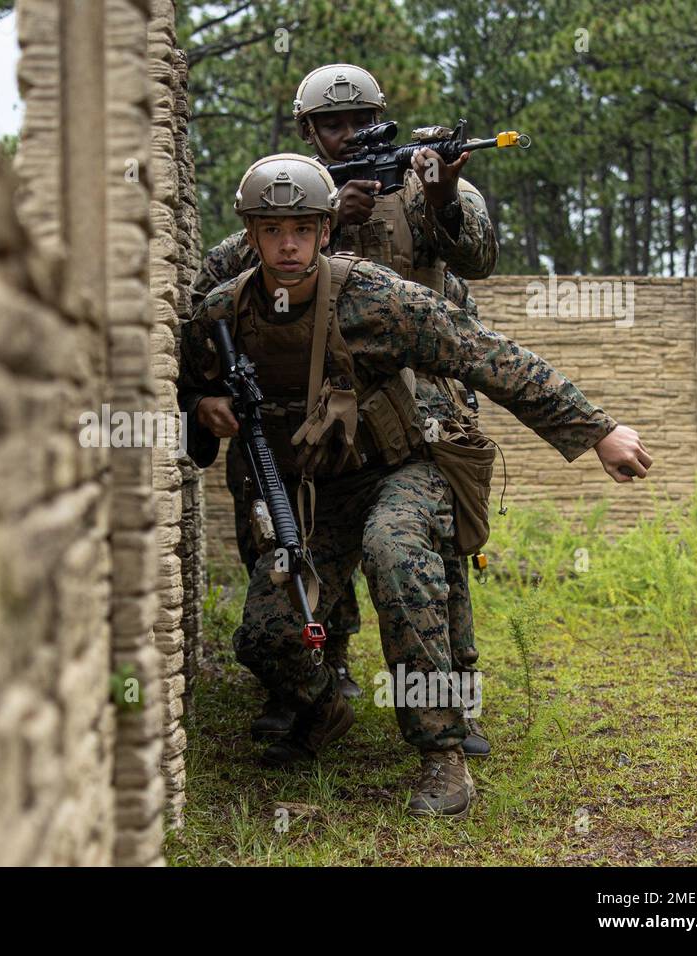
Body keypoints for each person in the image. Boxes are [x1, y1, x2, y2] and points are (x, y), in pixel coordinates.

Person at [179, 154, 651, 816]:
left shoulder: (376, 298)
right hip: (320, 491)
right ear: (250, 237)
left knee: (394, 551)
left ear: (323, 231)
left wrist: (596, 431)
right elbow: (183, 382)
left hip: (405, 467)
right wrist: (201, 408)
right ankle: (323, 708)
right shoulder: (222, 316)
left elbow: (488, 355)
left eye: (302, 229)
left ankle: (442, 755)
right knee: (264, 633)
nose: (288, 245)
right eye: (271, 229)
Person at [189, 63, 501, 755]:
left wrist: (442, 193)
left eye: (361, 120)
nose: (349, 132)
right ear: (308, 131)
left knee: (426, 557)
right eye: (333, 123)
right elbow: (215, 285)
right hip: (306, 412)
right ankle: (309, 681)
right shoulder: (292, 196)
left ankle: (451, 703)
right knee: (278, 534)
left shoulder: (424, 183)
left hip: (419, 399)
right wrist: (325, 217)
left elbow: (478, 258)